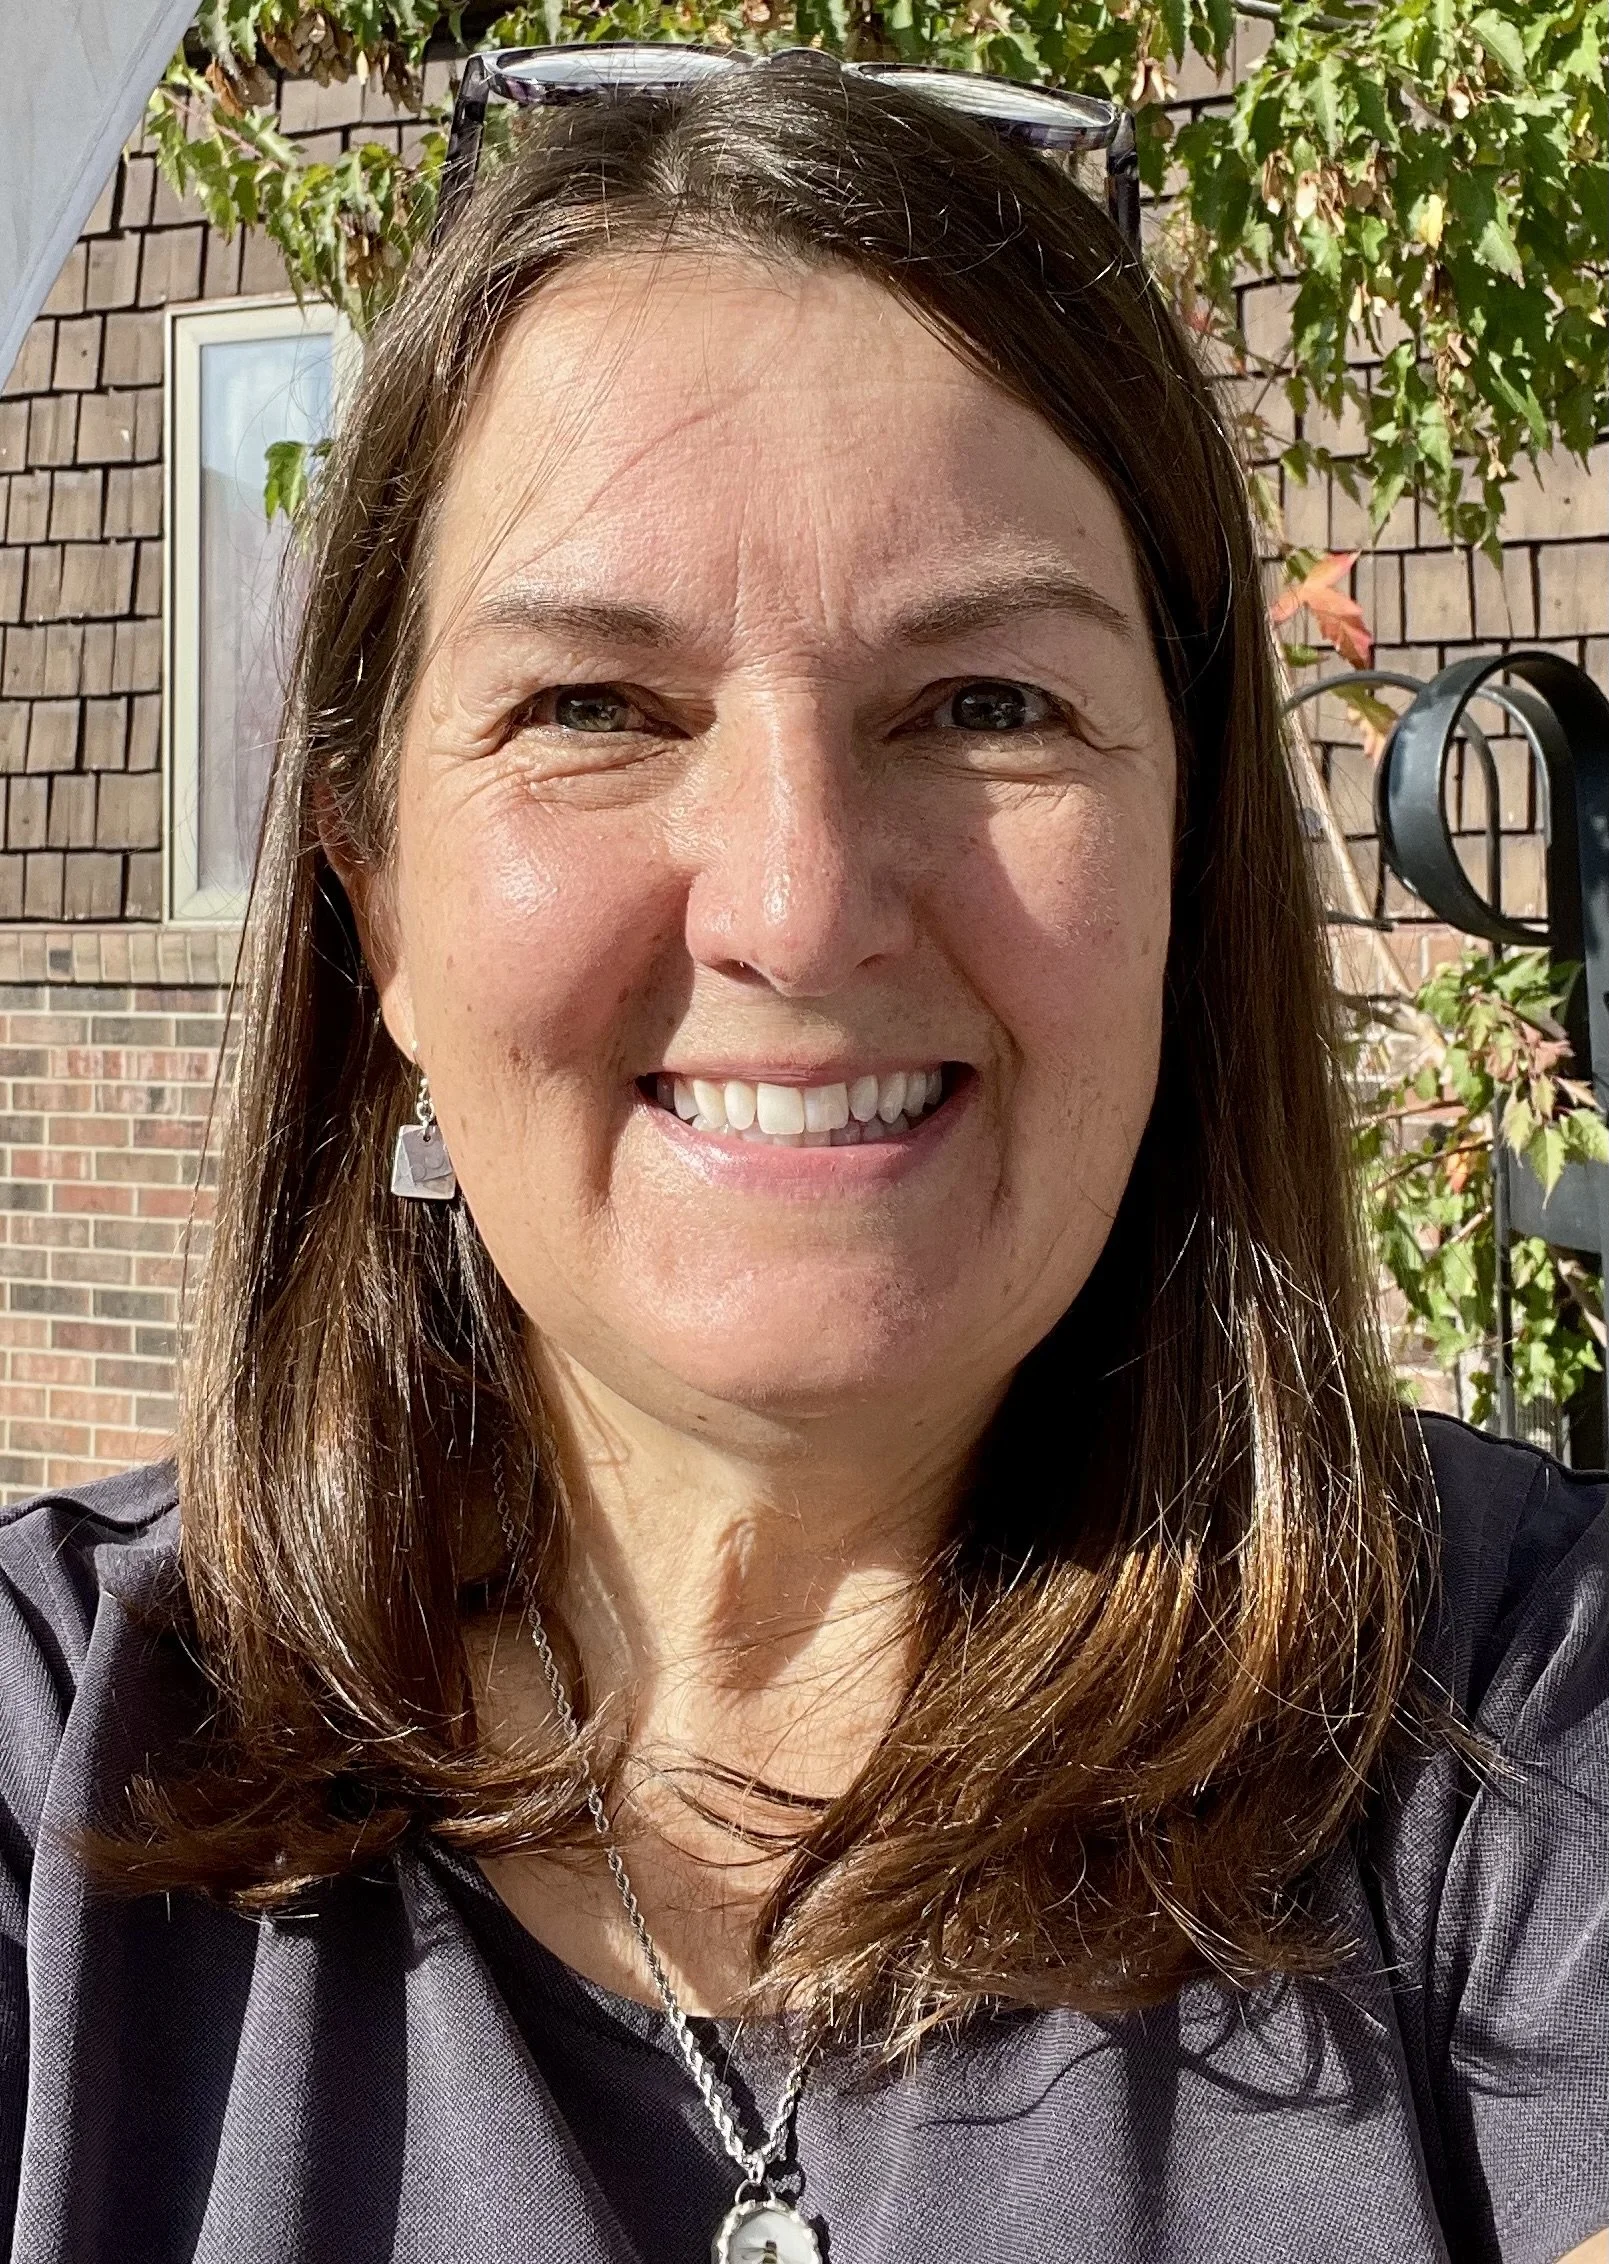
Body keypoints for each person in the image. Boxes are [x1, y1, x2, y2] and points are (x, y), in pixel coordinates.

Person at [1, 52, 1604, 2264]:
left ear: (1186, 847)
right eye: (597, 708)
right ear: (379, 899)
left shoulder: (1526, 1725)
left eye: (984, 705)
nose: (797, 895)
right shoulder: (42, 1766)